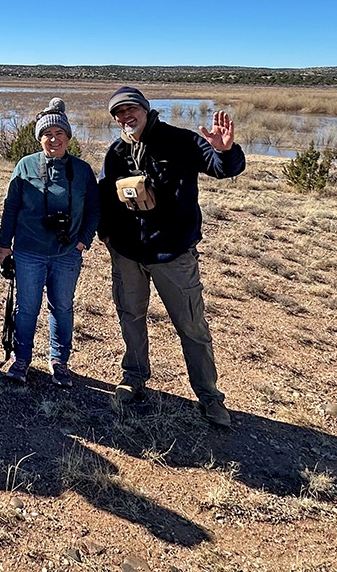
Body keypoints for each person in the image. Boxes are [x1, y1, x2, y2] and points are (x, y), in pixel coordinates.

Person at [98, 86, 246, 428]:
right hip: (127, 254)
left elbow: (222, 167)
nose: (124, 116)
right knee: (130, 316)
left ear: (146, 110)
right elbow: (105, 195)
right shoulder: (117, 152)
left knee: (192, 326)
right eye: (118, 113)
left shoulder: (180, 140)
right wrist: (105, 234)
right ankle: (134, 377)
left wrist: (226, 150)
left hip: (173, 255)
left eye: (130, 108)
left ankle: (209, 395)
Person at [0, 98, 100, 387]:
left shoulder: (81, 170)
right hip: (29, 251)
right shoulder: (25, 165)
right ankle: (21, 360)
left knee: (62, 307)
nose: (53, 140)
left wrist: (82, 241)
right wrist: (4, 245)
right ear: (40, 138)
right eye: (47, 135)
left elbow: (94, 209)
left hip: (67, 253)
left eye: (59, 135)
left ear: (68, 138)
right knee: (27, 308)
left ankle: (59, 361)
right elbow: (11, 207)